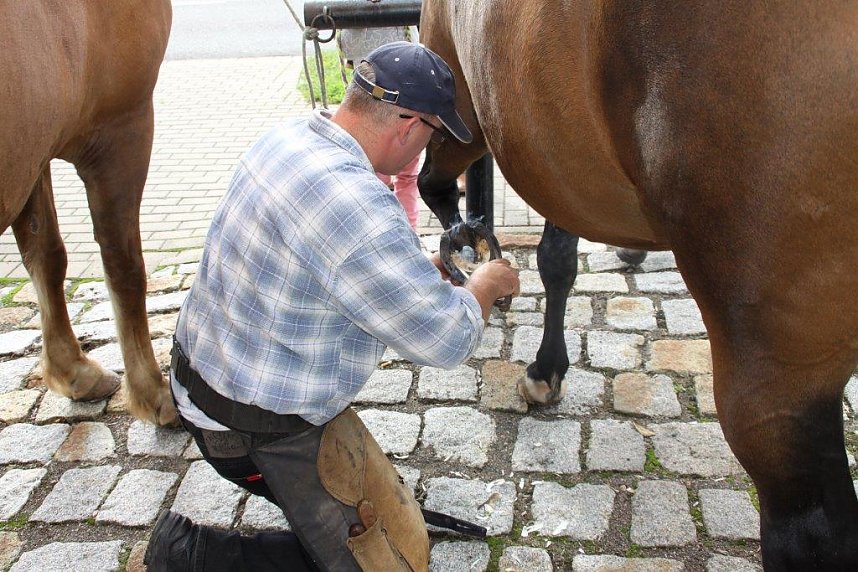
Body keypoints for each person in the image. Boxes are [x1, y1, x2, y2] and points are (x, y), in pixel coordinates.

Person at [144, 41, 520, 572]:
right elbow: (446, 338)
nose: (425, 150)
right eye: (432, 135)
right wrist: (483, 285)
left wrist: (421, 275)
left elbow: (333, 263)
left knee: (398, 532)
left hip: (204, 376)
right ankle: (193, 556)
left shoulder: (288, 138)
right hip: (249, 425)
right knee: (395, 565)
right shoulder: (360, 205)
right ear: (409, 125)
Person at [340, 26, 422, 229]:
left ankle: (393, 230)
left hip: (370, 103)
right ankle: (405, 231)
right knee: (403, 177)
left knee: (378, 177)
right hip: (403, 103)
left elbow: (350, 55)